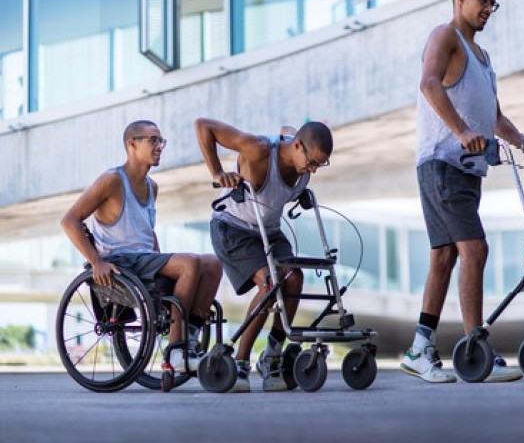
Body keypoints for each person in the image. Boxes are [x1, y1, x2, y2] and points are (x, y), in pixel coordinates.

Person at [401, 0, 524, 384]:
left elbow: (496, 117)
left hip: (466, 170)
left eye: (492, 3)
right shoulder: (445, 36)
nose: (487, 9)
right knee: (475, 250)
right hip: (443, 162)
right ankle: (476, 347)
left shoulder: (482, 58)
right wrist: (462, 131)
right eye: (482, 0)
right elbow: (429, 83)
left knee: (444, 257)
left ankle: (419, 348)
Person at [61, 120, 223, 376]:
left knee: (213, 263)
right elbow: (69, 220)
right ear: (132, 144)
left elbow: (147, 232)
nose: (160, 146)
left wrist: (165, 261)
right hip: (120, 261)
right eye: (153, 140)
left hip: (145, 259)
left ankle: (189, 336)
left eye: (161, 141)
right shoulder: (112, 180)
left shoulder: (152, 186)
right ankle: (176, 351)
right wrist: (96, 262)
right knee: (190, 262)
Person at [195, 118, 333, 392]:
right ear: (297, 147)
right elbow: (203, 126)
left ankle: (272, 354)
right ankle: (241, 361)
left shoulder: (298, 152)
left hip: (267, 230)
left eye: (320, 165)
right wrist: (217, 171)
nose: (313, 171)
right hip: (232, 227)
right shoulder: (257, 149)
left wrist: (289, 133)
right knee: (271, 285)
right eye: (312, 163)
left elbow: (287, 129)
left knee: (294, 279)